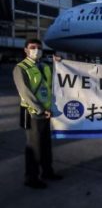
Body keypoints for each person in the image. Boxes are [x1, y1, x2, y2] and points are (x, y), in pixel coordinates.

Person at [13, 39, 62, 189]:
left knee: (46, 145)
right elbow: (25, 93)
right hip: (33, 112)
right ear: (26, 50)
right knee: (34, 147)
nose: (36, 50)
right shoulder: (20, 68)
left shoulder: (44, 66)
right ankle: (31, 177)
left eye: (39, 48)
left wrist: (59, 63)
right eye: (32, 47)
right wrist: (41, 109)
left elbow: (56, 78)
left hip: (46, 113)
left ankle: (47, 171)